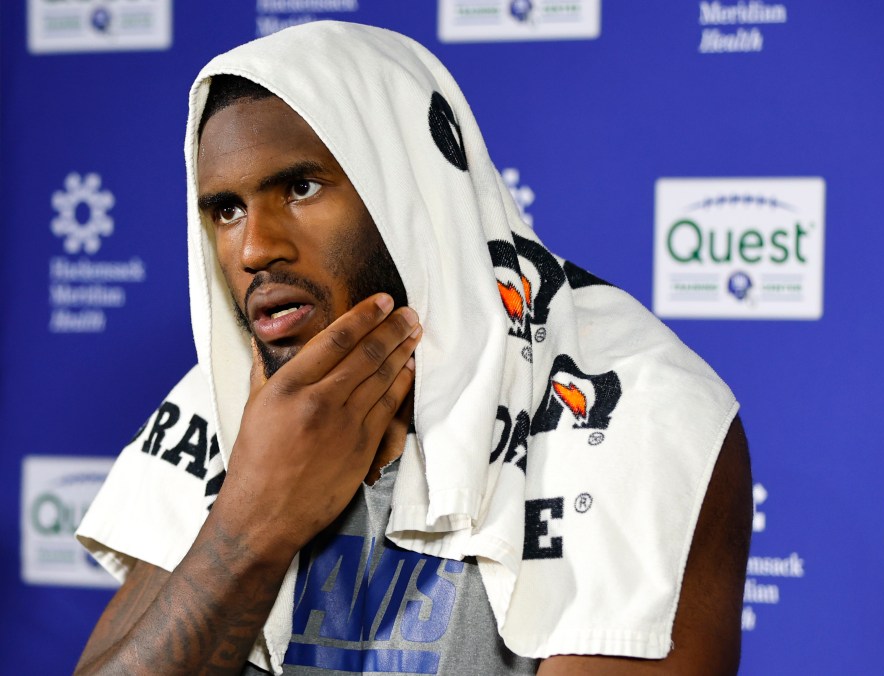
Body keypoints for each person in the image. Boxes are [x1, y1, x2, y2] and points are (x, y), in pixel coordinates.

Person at [75, 21, 751, 675]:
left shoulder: (632, 407)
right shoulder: (223, 398)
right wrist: (251, 521)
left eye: (300, 188)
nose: (254, 248)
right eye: (226, 210)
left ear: (410, 190)